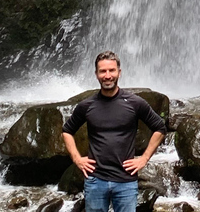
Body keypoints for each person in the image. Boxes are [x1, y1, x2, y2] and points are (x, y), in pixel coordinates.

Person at [62, 51, 167, 212]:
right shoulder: (86, 105)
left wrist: (144, 159)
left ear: (119, 72)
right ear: (96, 74)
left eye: (111, 70)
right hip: (95, 180)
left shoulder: (135, 103)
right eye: (103, 71)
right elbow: (67, 131)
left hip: (125, 181)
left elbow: (159, 127)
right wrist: (77, 159)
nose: (107, 75)